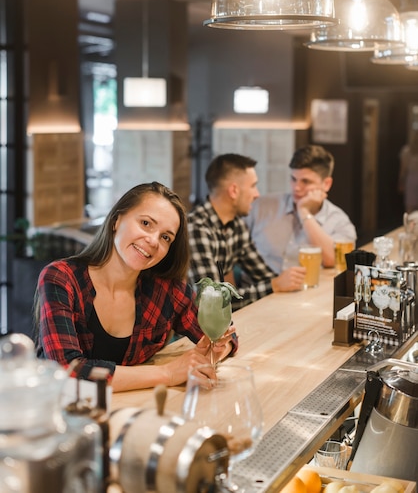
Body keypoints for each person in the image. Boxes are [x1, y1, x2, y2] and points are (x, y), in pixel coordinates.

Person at [35, 182, 237, 392]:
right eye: (146, 223)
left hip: (130, 411)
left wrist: (213, 352)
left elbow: (226, 336)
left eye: (165, 237)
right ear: (116, 220)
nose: (153, 240)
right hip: (59, 414)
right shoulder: (61, 278)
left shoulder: (167, 289)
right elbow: (67, 371)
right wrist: (167, 373)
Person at [188, 153, 301, 311]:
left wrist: (283, 282)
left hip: (220, 325)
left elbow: (264, 276)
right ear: (234, 191)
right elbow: (212, 302)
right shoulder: (197, 228)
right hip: (188, 332)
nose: (257, 194)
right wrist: (274, 285)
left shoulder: (235, 224)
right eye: (253, 186)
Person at [244, 144, 357, 291]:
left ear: (326, 184)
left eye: (306, 181)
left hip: (305, 298)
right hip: (256, 295)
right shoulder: (261, 206)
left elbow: (334, 260)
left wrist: (304, 212)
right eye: (293, 179)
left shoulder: (339, 221)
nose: (296, 187)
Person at [398, 131, 418, 213]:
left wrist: (401, 182)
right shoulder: (407, 151)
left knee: (410, 207)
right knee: (410, 206)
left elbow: (403, 169)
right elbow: (403, 169)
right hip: (411, 178)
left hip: (411, 179)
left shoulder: (406, 151)